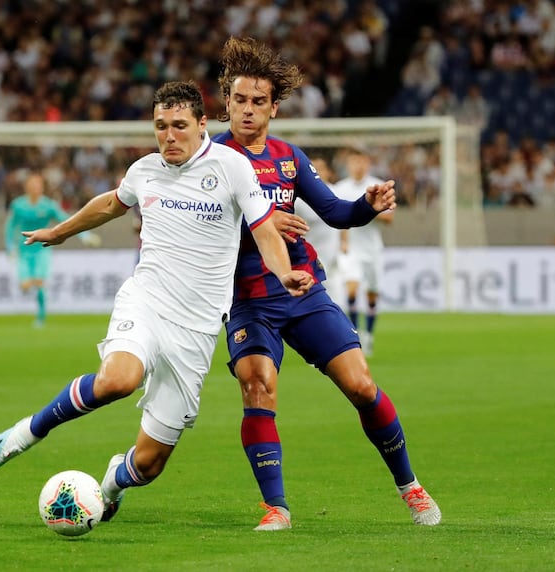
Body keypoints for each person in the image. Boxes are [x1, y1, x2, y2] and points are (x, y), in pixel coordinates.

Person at [0, 81, 315, 524]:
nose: (168, 136)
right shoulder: (146, 170)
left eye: (178, 126)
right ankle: (28, 431)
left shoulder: (232, 168)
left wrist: (283, 271)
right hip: (146, 302)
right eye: (160, 126)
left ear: (202, 125)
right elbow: (112, 204)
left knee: (148, 465)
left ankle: (113, 482)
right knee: (118, 379)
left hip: (195, 331)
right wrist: (59, 232)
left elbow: (265, 229)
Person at [213, 36, 440, 530]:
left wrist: (367, 205)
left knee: (361, 385)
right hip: (248, 300)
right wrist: (265, 219)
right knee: (258, 385)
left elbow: (335, 212)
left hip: (302, 290)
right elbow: (203, 226)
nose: (247, 110)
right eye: (238, 100)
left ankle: (411, 487)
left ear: (274, 108)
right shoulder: (207, 159)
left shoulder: (288, 157)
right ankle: (277, 507)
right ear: (225, 102)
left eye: (258, 102)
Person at [4, 172, 100, 327]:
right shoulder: (18, 205)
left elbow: (67, 221)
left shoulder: (48, 205)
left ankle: (40, 317)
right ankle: (35, 296)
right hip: (24, 249)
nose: (36, 188)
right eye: (33, 185)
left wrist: (85, 236)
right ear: (27, 187)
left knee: (40, 283)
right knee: (26, 286)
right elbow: (9, 227)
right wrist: (9, 247)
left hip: (42, 248)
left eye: (39, 185)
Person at [334, 144, 394, 357]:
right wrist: (342, 240)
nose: (357, 166)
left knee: (372, 293)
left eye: (361, 161)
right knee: (351, 289)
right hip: (351, 249)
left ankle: (368, 333)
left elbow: (389, 218)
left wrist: (368, 210)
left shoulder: (377, 186)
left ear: (367, 164)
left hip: (373, 249)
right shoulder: (340, 188)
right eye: (353, 162)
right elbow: (337, 218)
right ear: (348, 165)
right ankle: (355, 334)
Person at [292, 155, 345, 306]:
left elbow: (344, 221)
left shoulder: (337, 192)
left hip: (333, 258)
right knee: (309, 304)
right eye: (313, 169)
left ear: (328, 171)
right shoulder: (299, 200)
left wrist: (344, 242)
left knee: (338, 304)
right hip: (310, 260)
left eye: (320, 168)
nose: (317, 172)